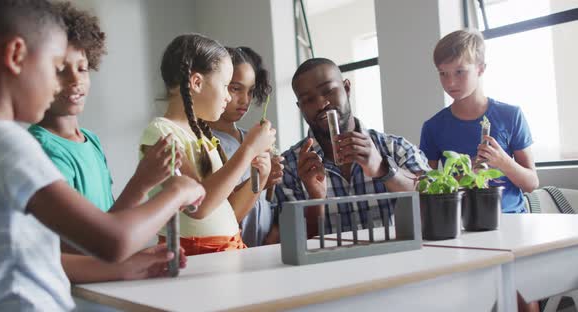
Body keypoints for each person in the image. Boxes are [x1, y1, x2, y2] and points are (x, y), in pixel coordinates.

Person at [0, 1, 204, 310]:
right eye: (54, 68)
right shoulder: (7, 143)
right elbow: (112, 240)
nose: (59, 84)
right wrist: (178, 192)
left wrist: (123, 269)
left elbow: (33, 248)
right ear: (16, 56)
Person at [140, 34, 276, 255]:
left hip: (228, 250)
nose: (228, 97)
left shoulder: (201, 136)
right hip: (194, 256)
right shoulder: (160, 133)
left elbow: (225, 207)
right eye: (225, 86)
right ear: (196, 83)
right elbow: (198, 206)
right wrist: (248, 149)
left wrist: (259, 174)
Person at [275, 58, 430, 237]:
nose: (321, 104)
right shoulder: (289, 167)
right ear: (300, 107)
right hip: (329, 265)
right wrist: (315, 199)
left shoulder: (395, 148)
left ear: (347, 88)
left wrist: (384, 170)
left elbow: (435, 199)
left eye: (328, 91)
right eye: (308, 99)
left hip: (396, 262)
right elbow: (292, 242)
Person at [420, 29, 538, 214]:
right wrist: (466, 177)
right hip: (460, 225)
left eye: (459, 72)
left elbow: (532, 183)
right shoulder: (433, 127)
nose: (450, 83)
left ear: (480, 68)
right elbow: (426, 190)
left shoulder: (511, 115)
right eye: (443, 73)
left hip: (513, 222)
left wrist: (502, 162)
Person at [209, 46, 283, 247]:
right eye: (235, 88)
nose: (245, 100)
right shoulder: (206, 142)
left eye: (251, 91)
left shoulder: (250, 137)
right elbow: (224, 213)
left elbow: (264, 203)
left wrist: (271, 181)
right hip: (229, 251)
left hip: (263, 249)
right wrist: (260, 179)